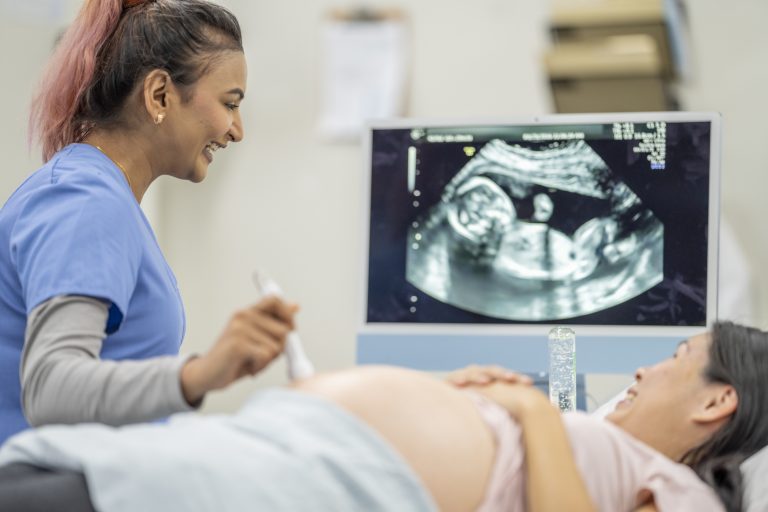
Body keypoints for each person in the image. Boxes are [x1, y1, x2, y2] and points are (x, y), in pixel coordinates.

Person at [0, 321, 766, 512]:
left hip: (343, 480)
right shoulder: (612, 455)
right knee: (61, 470)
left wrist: (532, 409)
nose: (645, 367)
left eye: (675, 356)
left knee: (74, 488)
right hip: (313, 452)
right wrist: (454, 394)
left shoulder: (684, 494)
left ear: (717, 399)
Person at [0, 0, 298, 445]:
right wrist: (200, 373)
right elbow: (51, 388)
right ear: (159, 95)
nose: (237, 129)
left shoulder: (103, 196)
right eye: (229, 103)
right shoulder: (85, 200)